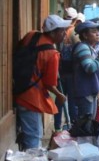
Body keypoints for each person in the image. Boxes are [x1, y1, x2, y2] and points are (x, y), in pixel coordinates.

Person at [14, 14, 70, 149]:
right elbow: (49, 84)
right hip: (32, 99)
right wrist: (60, 95)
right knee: (34, 136)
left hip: (18, 90)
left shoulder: (31, 35)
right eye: (61, 31)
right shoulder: (52, 54)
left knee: (27, 132)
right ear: (52, 32)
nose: (64, 34)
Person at [71, 20, 99, 122]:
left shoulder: (89, 48)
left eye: (97, 31)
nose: (98, 34)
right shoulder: (83, 47)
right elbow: (89, 68)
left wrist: (96, 93)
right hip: (85, 93)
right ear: (85, 35)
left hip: (89, 93)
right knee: (85, 125)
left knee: (89, 123)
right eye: (93, 31)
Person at [54, 8, 84, 132]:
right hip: (71, 72)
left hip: (60, 70)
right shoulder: (74, 32)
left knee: (59, 100)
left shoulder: (60, 31)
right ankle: (73, 125)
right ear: (75, 19)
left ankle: (57, 127)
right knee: (72, 100)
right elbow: (79, 50)